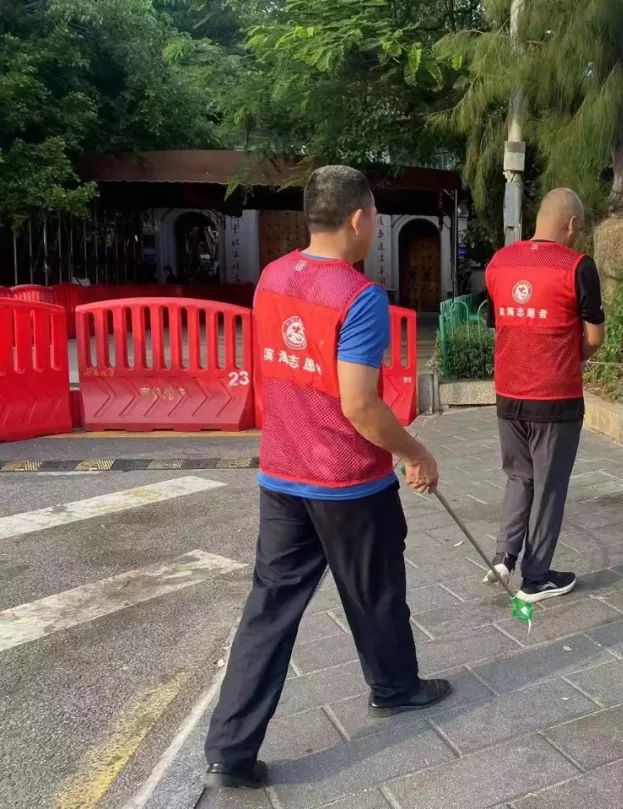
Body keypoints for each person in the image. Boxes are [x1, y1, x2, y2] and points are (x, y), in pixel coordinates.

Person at [203, 166, 449, 790]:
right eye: (375, 215)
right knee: (375, 590)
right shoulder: (357, 295)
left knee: (268, 609)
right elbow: (360, 405)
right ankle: (394, 687)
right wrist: (415, 451)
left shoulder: (272, 277)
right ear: (359, 218)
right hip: (347, 483)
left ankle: (230, 749)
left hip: (282, 476)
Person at [483, 188, 606, 603]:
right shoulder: (577, 266)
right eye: (579, 228)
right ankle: (536, 577)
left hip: (507, 395)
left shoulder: (500, 262)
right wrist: (574, 359)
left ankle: (504, 556)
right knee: (549, 487)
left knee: (519, 477)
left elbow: (501, 318)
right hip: (555, 400)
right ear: (572, 224)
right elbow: (595, 336)